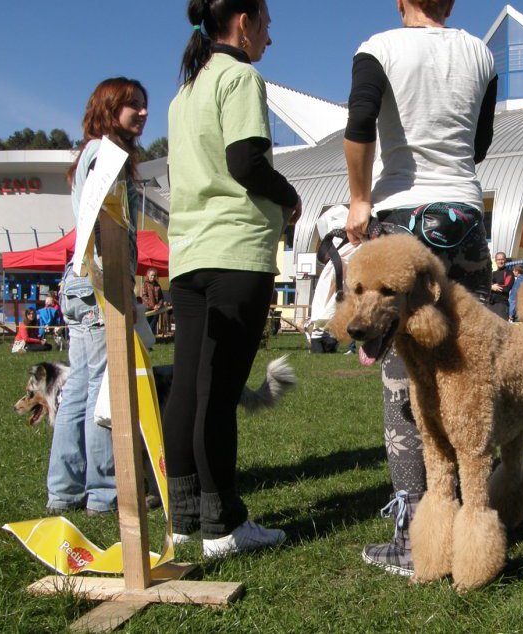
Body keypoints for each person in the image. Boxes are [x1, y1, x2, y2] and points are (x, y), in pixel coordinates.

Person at [343, 0, 497, 575]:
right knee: (471, 366)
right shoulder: (481, 53)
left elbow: (360, 126)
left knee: (403, 373)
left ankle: (416, 536)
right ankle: (477, 514)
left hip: (403, 214)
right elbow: (478, 143)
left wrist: (360, 198)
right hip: (465, 213)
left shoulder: (378, 48)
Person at [165, 0, 301, 558]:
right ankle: (223, 525)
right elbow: (245, 163)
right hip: (235, 253)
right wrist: (290, 196)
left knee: (188, 391)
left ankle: (184, 518)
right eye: (266, 23)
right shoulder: (240, 77)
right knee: (218, 395)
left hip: (187, 255)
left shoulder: (184, 92)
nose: (270, 36)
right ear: (243, 23)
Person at [46, 77, 147, 516]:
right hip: (99, 285)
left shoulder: (91, 153)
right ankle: (105, 490)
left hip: (80, 281)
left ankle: (65, 490)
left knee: (80, 388)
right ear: (109, 109)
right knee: (105, 386)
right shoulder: (106, 155)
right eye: (133, 105)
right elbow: (106, 227)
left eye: (143, 105)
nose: (143, 112)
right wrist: (119, 286)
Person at [488, 252, 513, 320]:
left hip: (501, 305)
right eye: (498, 259)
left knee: (501, 326)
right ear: (495, 261)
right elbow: (485, 285)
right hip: (490, 304)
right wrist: (491, 287)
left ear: (505, 260)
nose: (500, 261)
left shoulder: (509, 273)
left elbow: (506, 287)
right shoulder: (493, 273)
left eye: (502, 259)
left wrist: (492, 286)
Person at [140, 267, 165, 334]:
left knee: (152, 327)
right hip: (147, 309)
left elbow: (161, 298)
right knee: (146, 326)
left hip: (156, 310)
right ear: (148, 275)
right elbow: (144, 296)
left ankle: (150, 339)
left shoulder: (158, 285)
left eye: (154, 275)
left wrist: (158, 305)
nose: (153, 277)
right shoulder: (145, 284)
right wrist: (153, 306)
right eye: (151, 275)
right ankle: (145, 339)